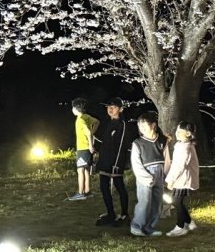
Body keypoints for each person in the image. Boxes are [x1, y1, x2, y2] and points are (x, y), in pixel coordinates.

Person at [93, 97, 134, 226]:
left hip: (116, 162)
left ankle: (124, 214)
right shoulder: (108, 123)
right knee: (104, 187)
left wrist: (117, 164)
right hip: (104, 159)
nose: (110, 109)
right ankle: (110, 213)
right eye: (109, 107)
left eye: (114, 107)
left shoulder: (122, 125)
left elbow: (122, 145)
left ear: (121, 109)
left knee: (119, 186)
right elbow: (104, 141)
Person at [129, 112, 171, 237]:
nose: (141, 129)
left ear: (153, 125)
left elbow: (166, 158)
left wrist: (167, 175)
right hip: (146, 175)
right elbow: (136, 163)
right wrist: (146, 178)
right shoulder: (138, 143)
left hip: (159, 173)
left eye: (144, 126)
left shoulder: (162, 140)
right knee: (145, 201)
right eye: (140, 126)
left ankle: (149, 227)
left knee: (157, 202)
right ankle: (137, 226)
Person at [164, 121, 200, 237]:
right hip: (182, 178)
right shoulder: (182, 145)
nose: (177, 133)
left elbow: (180, 166)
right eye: (177, 131)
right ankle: (189, 222)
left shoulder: (186, 147)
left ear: (188, 134)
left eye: (180, 131)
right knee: (177, 201)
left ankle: (180, 226)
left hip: (183, 179)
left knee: (176, 201)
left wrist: (171, 180)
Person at [68, 97, 99, 201]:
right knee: (86, 170)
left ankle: (80, 193)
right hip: (86, 149)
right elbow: (97, 122)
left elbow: (88, 132)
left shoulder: (80, 120)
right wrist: (93, 133)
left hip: (83, 148)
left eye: (73, 108)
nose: (72, 109)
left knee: (80, 170)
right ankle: (87, 191)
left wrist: (90, 145)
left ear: (76, 109)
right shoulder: (87, 117)